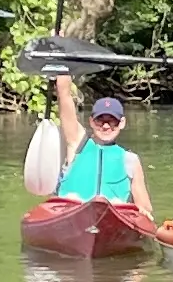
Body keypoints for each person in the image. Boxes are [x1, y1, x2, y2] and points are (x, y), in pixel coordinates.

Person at [45, 78, 156, 224]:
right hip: (71, 213)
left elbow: (145, 207)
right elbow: (64, 94)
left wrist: (141, 212)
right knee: (73, 198)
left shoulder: (130, 160)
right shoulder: (77, 143)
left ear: (121, 123)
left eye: (112, 121)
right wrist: (62, 74)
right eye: (100, 120)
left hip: (112, 218)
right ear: (91, 121)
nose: (105, 126)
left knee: (115, 202)